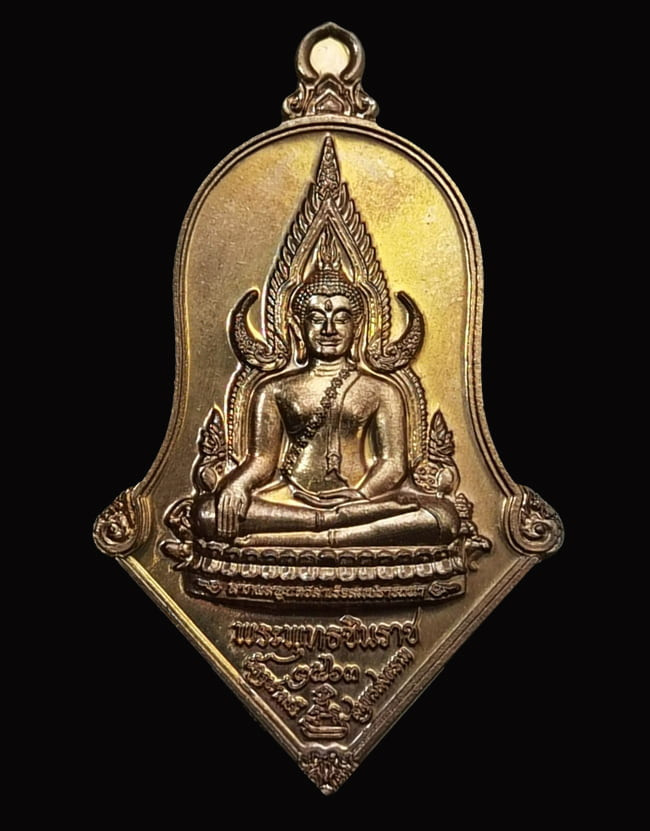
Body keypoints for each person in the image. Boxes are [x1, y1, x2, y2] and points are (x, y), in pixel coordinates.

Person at [193, 255, 459, 549]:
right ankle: (326, 525)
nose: (329, 329)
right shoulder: (274, 389)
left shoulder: (382, 390)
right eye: (317, 318)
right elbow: (262, 461)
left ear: (358, 326)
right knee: (207, 513)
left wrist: (361, 496)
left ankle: (320, 530)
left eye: (342, 318)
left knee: (443, 517)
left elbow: (393, 463)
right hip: (291, 498)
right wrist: (238, 484)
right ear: (298, 327)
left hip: (362, 501)